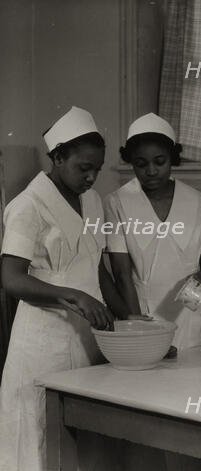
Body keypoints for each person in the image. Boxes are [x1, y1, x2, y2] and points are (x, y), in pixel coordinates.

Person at [0, 107, 128, 471]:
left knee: (84, 444)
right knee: (38, 438)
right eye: (83, 168)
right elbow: (11, 278)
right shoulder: (28, 205)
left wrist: (131, 320)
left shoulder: (93, 201)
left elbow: (96, 269)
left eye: (97, 169)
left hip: (88, 340)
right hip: (42, 343)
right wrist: (73, 296)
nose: (91, 177)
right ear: (58, 158)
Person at [105, 113, 201, 351]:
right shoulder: (117, 203)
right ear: (131, 162)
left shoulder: (197, 202)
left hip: (192, 317)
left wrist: (182, 303)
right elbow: (121, 273)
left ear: (172, 159)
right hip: (142, 316)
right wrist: (142, 331)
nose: (151, 171)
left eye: (159, 162)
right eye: (141, 164)